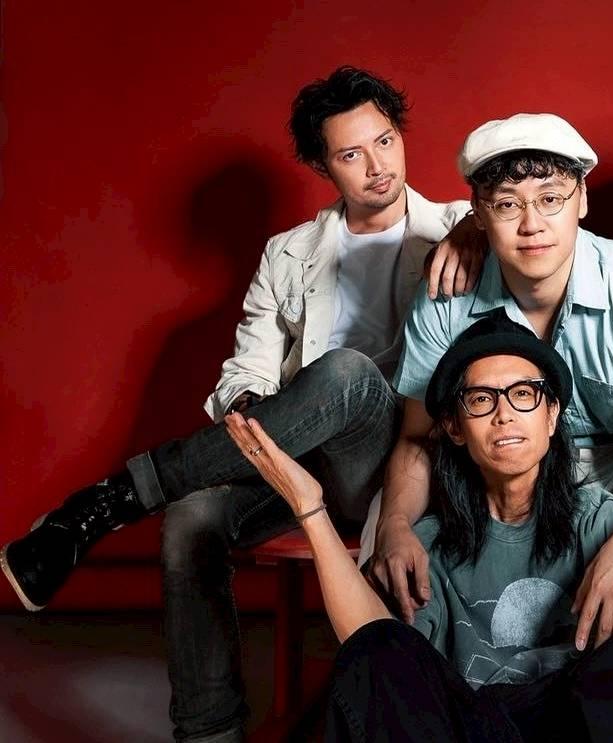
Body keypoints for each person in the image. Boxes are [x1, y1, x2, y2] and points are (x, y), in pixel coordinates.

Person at [1, 66, 481, 742]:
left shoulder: (459, 227)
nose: (377, 167)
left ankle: (109, 502)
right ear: (322, 166)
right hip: (299, 459)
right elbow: (246, 370)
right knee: (190, 518)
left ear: (400, 136)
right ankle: (209, 733)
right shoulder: (288, 254)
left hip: (400, 462)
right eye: (351, 154)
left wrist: (476, 226)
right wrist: (261, 415)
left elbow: (530, 230)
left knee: (345, 373)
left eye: (384, 141)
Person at [227, 314, 613, 742]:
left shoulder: (602, 520)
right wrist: (311, 509)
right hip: (472, 726)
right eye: (481, 399)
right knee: (378, 651)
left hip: (580, 724)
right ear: (454, 428)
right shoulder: (428, 542)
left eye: (524, 395)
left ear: (552, 417)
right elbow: (372, 650)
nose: (505, 412)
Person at [366, 113, 613, 653]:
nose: (532, 224)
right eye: (507, 205)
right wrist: (395, 524)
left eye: (551, 199)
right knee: (383, 545)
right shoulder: (447, 295)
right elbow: (419, 437)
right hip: (509, 455)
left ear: (582, 199)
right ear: (478, 213)